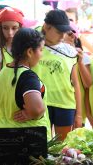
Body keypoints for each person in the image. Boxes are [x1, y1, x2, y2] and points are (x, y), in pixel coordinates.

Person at [32, 10, 81, 141]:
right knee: (41, 147)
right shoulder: (33, 43)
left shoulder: (69, 51)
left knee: (61, 149)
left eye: (64, 32)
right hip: (40, 103)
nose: (62, 36)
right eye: (59, 32)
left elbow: (76, 83)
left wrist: (79, 114)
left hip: (65, 105)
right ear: (47, 27)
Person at [0, 28, 51, 138]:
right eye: (41, 50)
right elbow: (37, 109)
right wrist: (34, 113)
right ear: (30, 52)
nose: (42, 55)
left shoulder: (4, 71)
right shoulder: (28, 76)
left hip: (3, 137)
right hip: (28, 142)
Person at [0, 6, 24, 127]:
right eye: (5, 28)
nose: (10, 33)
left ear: (21, 27)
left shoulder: (23, 49)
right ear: (0, 28)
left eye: (14, 28)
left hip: (16, 108)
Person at [63, 22, 92, 126]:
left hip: (78, 108)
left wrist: (79, 62)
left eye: (71, 33)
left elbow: (88, 84)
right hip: (62, 105)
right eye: (66, 33)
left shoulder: (83, 56)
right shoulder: (57, 55)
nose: (69, 36)